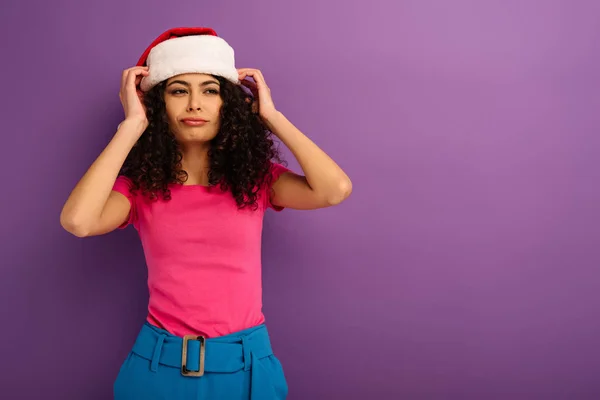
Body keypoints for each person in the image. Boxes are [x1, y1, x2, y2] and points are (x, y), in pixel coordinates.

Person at [60, 27, 352, 400]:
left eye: (210, 90)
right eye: (178, 90)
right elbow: (78, 221)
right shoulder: (140, 188)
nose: (194, 104)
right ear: (158, 104)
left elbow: (334, 190)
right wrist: (131, 125)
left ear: (227, 104)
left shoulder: (256, 181)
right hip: (156, 369)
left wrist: (271, 115)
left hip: (247, 368)